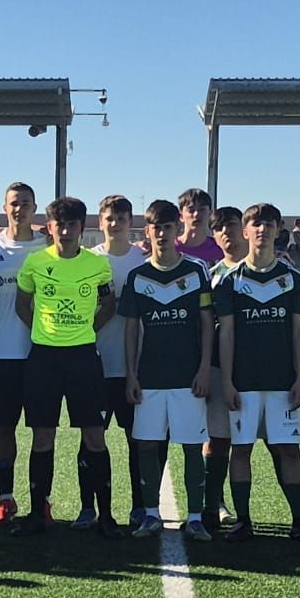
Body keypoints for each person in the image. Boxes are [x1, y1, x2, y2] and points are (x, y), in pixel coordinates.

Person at [13, 196, 120, 537]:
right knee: (43, 436)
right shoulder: (34, 262)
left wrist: (84, 331)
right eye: (60, 224)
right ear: (50, 227)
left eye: (72, 224)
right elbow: (22, 305)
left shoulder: (97, 265)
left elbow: (108, 305)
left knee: (95, 436)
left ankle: (105, 516)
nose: (66, 230)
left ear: (81, 227)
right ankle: (37, 514)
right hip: (43, 358)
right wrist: (46, 333)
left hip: (83, 357)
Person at [216, 203, 300, 542]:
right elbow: (226, 333)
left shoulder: (292, 279)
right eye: (255, 224)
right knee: (241, 449)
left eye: (268, 224)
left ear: (278, 231)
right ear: (245, 231)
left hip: (282, 382)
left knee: (289, 449)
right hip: (243, 382)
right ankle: (243, 521)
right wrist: (228, 380)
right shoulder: (230, 281)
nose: (262, 229)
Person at [121, 199, 214, 541]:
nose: (161, 233)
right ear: (147, 232)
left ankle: (194, 517)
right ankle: (149, 513)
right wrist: (131, 374)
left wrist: (204, 368)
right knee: (146, 445)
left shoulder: (196, 271)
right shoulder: (138, 275)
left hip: (187, 377)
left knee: (191, 445)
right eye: (155, 227)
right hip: (149, 378)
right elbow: (131, 330)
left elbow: (207, 324)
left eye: (167, 227)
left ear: (177, 230)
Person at [0, 181, 45, 523]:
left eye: (26, 203)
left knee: (43, 429)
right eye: (14, 203)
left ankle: (41, 502)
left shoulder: (49, 243)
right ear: (5, 207)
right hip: (4, 352)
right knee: (2, 428)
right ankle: (6, 498)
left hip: (45, 352)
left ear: (34, 207)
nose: (20, 208)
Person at [90, 194, 146, 526]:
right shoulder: (88, 260)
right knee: (92, 439)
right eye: (109, 218)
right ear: (100, 222)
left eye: (121, 218)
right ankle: (92, 508)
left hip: (135, 369)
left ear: (131, 222)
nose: (115, 223)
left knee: (136, 441)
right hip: (95, 365)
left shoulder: (145, 260)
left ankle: (140, 507)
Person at [200, 204, 246, 527]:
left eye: (232, 226)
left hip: (262, 370)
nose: (227, 233)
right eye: (220, 229)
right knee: (218, 438)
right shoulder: (211, 276)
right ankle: (214, 503)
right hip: (219, 367)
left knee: (271, 441)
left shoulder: (267, 268)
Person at [177, 188, 224, 264]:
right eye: (191, 210)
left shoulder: (220, 248)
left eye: (202, 210)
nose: (196, 214)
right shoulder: (170, 248)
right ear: (181, 216)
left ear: (210, 214)